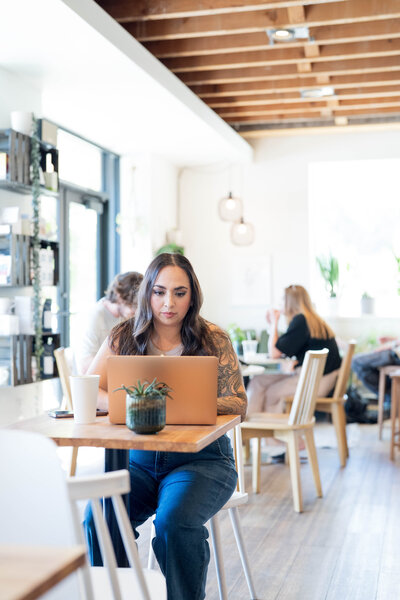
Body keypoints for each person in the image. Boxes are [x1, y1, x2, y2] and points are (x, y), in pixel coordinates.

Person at [84, 253, 247, 600]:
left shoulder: (213, 338)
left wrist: (166, 405)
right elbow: (88, 389)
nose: (168, 303)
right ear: (146, 294)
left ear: (193, 295)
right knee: (99, 517)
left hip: (203, 462)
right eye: (159, 292)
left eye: (179, 292)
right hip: (140, 460)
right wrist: (131, 404)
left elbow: (237, 402)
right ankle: (121, 594)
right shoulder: (123, 335)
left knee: (174, 523)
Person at [247, 284, 342, 415]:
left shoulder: (301, 320)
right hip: (320, 378)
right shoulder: (313, 320)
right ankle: (249, 427)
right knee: (258, 381)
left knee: (272, 392)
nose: (279, 304)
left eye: (282, 300)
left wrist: (274, 323)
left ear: (289, 302)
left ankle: (270, 433)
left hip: (315, 382)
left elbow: (274, 353)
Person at [78, 271, 143, 373]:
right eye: (134, 305)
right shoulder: (96, 315)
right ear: (119, 296)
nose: (136, 312)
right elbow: (85, 364)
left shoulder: (125, 317)